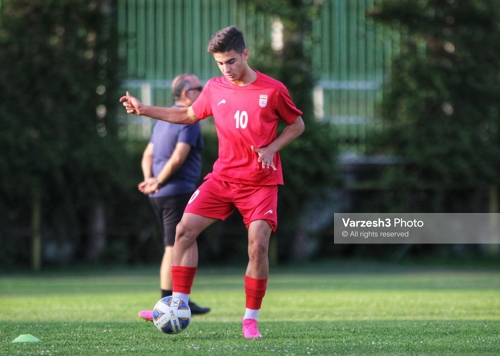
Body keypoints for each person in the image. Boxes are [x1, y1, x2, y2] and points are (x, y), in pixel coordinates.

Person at [120, 26, 305, 339]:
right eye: (220, 64)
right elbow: (188, 116)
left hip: (260, 184)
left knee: (258, 247)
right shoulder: (216, 88)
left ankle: (250, 319)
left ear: (245, 54)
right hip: (222, 179)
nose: (226, 69)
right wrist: (144, 109)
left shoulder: (273, 90)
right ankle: (179, 302)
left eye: (231, 61)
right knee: (183, 231)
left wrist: (272, 148)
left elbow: (297, 124)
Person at [137, 73, 210, 321]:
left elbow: (148, 154)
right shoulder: (189, 121)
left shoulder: (162, 119)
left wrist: (150, 178)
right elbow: (178, 157)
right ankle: (167, 304)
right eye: (199, 88)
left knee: (179, 244)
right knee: (173, 247)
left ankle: (180, 300)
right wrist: (158, 180)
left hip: (158, 193)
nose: (203, 91)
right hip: (176, 191)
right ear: (187, 94)